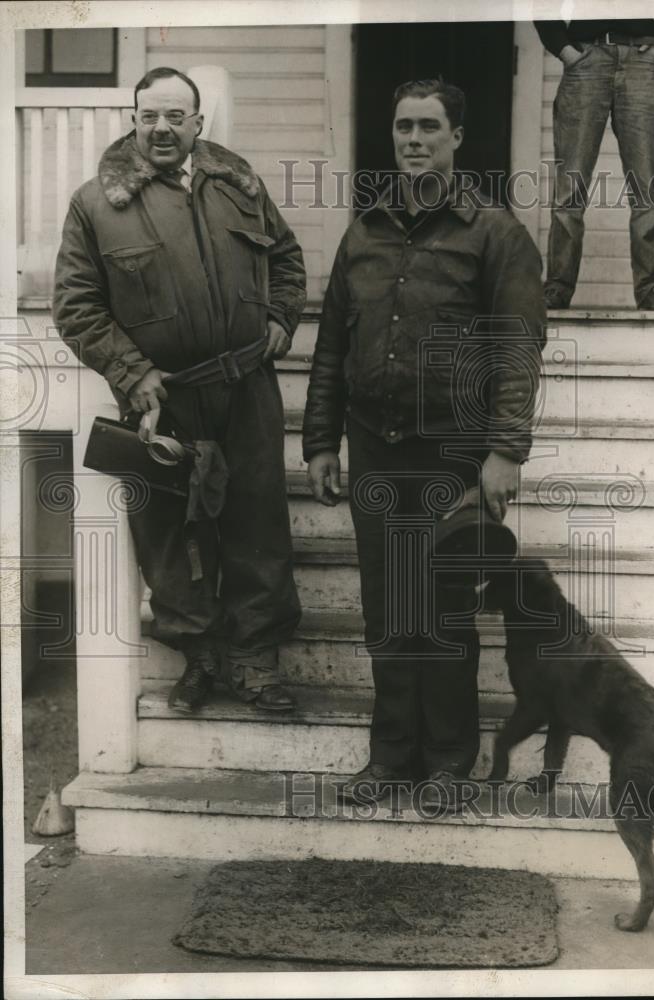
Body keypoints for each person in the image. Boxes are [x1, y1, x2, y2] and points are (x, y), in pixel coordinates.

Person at [302, 79, 546, 807]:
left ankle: (446, 764)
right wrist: (321, 440)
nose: (413, 140)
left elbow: (518, 350)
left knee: (440, 609)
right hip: (375, 447)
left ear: (457, 137)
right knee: (387, 607)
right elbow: (328, 350)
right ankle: (390, 760)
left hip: (453, 455)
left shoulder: (495, 234)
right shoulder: (364, 231)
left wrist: (504, 451)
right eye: (403, 126)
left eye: (429, 127)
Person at [54, 67, 306, 714]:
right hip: (160, 398)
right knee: (169, 532)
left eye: (175, 116)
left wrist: (280, 317)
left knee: (255, 519)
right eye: (149, 116)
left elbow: (286, 257)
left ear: (198, 124)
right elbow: (77, 307)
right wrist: (133, 374)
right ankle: (199, 657)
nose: (161, 128)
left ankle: (254, 662)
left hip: (247, 384)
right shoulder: (95, 205)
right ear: (133, 121)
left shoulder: (241, 188)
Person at [534, 17, 654, 310]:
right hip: (585, 58)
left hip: (640, 59)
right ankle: (557, 288)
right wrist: (564, 49)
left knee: (648, 189)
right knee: (571, 186)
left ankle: (650, 294)